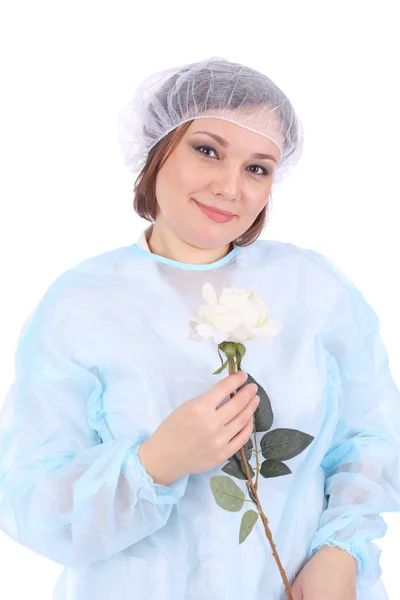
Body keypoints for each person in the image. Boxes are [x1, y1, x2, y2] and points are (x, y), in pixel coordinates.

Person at [0, 56, 399, 600]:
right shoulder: (83, 304)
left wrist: (341, 550)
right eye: (207, 150)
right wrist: (155, 463)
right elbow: (29, 499)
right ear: (157, 148)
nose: (231, 187)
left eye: (258, 168)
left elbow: (371, 437)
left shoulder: (312, 288)